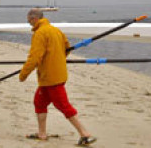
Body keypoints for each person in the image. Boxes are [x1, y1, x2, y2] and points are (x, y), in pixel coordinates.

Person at [19, 8, 97, 146]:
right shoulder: (56, 30)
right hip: (55, 75)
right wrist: (55, 59)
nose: (28, 22)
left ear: (34, 19)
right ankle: (42, 134)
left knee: (63, 105)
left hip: (51, 78)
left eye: (29, 20)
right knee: (39, 102)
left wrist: (23, 74)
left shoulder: (40, 33)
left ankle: (85, 134)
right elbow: (66, 48)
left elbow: (35, 58)